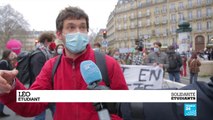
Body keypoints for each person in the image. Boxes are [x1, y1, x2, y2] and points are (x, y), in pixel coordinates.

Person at [0, 6, 128, 120]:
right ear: (59, 34)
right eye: (71, 27)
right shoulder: (51, 67)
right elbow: (31, 105)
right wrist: (10, 87)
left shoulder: (108, 63)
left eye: (82, 27)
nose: (78, 32)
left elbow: (126, 108)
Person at [30, 32, 56, 120]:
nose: (53, 43)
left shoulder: (46, 53)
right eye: (52, 41)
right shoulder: (39, 55)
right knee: (40, 116)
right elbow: (38, 74)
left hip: (48, 89)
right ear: (46, 41)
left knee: (56, 112)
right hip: (41, 90)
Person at [0, 50, 17, 118]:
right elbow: (5, 71)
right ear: (7, 55)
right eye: (10, 54)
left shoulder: (6, 61)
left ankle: (1, 112)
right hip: (4, 82)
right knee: (3, 98)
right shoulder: (4, 62)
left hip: (5, 82)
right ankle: (1, 112)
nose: (11, 56)